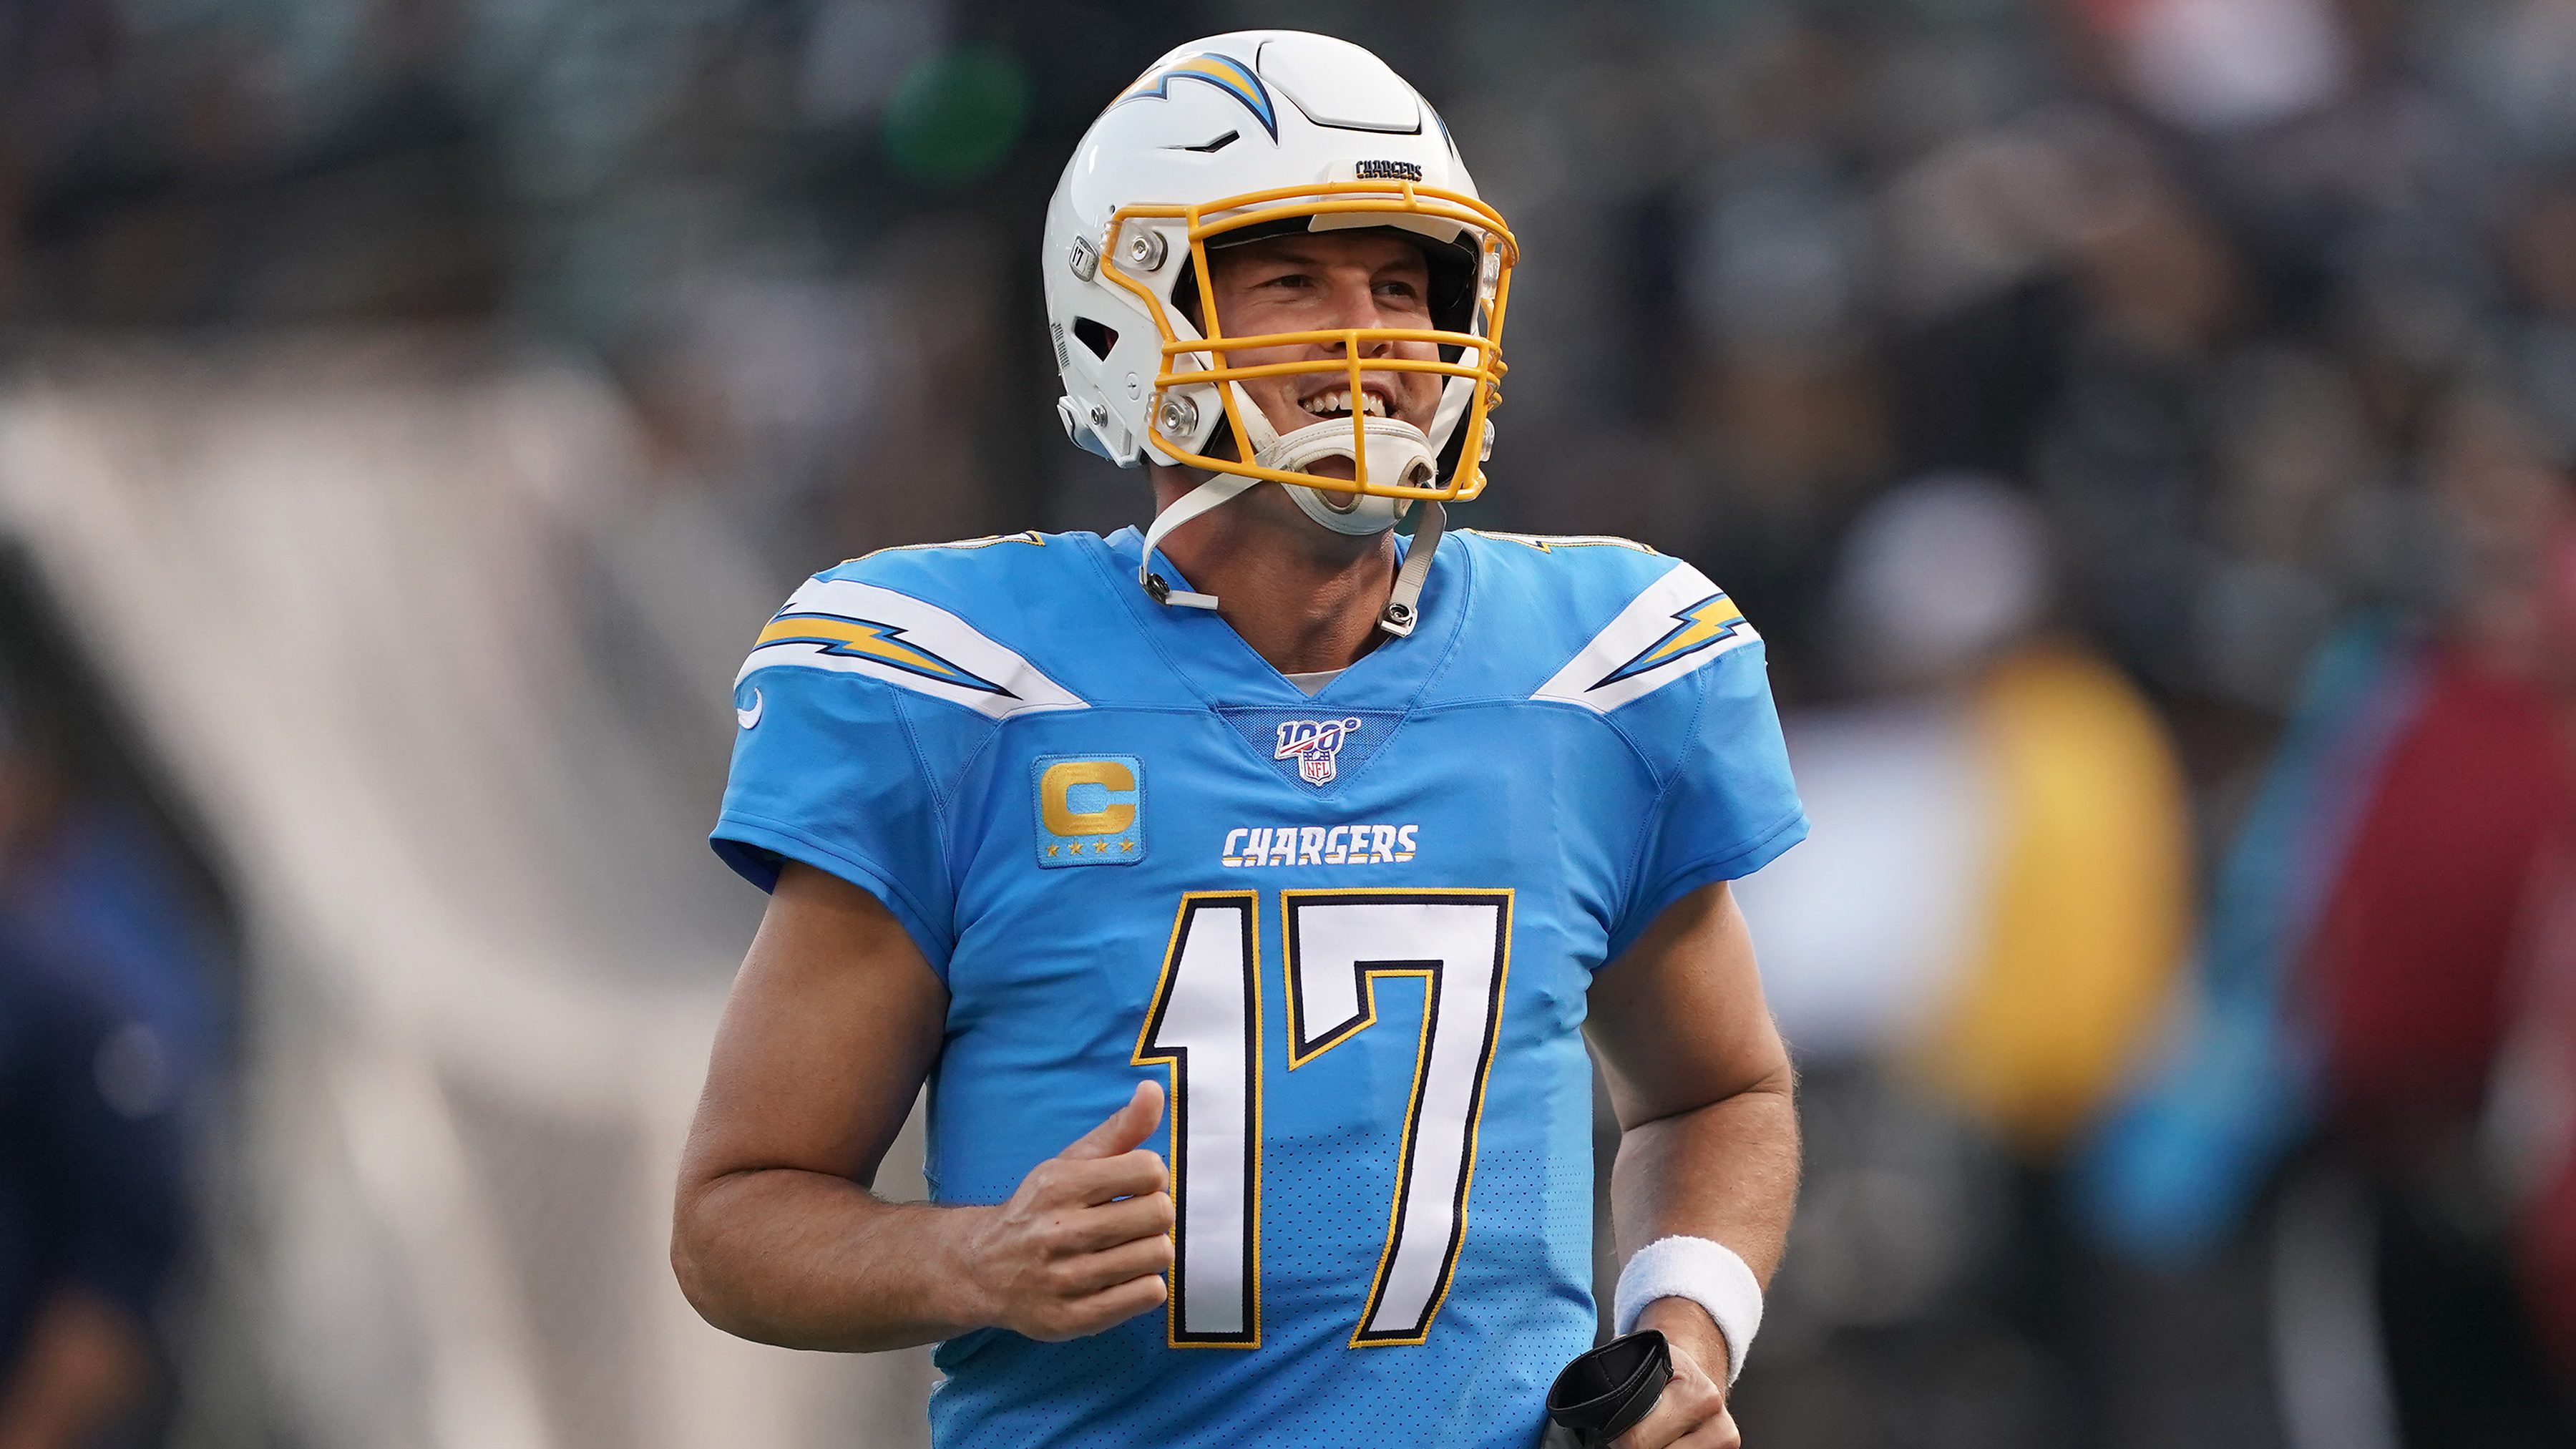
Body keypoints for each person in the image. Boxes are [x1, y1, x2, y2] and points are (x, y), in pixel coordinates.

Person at [670, 31, 1807, 1449]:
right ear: (1125, 313)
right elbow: (734, 1215)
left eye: (1404, 283)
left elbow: (1724, 1085)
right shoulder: (963, 689)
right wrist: (967, 1257)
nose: (1374, 331)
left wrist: (1684, 1331)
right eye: (1293, 278)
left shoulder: (1593, 669)